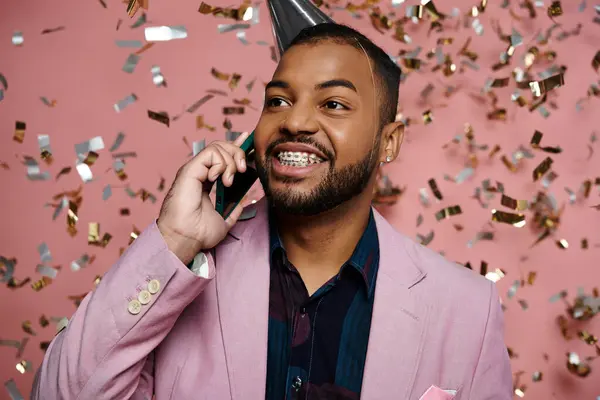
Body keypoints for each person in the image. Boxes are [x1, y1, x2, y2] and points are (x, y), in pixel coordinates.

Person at [32, 23, 512, 400]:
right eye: (278, 101)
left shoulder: (469, 308)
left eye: (334, 103)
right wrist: (175, 241)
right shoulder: (178, 277)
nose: (296, 121)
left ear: (389, 141)